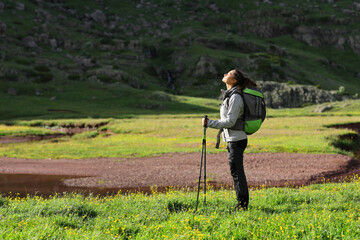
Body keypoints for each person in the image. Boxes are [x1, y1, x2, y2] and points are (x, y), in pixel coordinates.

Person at [202, 69, 258, 212]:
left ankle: (242, 206)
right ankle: (241, 204)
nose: (225, 74)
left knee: (237, 173)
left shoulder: (236, 97)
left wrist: (210, 123)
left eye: (229, 73)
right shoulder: (230, 95)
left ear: (234, 80)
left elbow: (230, 122)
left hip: (236, 140)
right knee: (236, 172)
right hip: (233, 139)